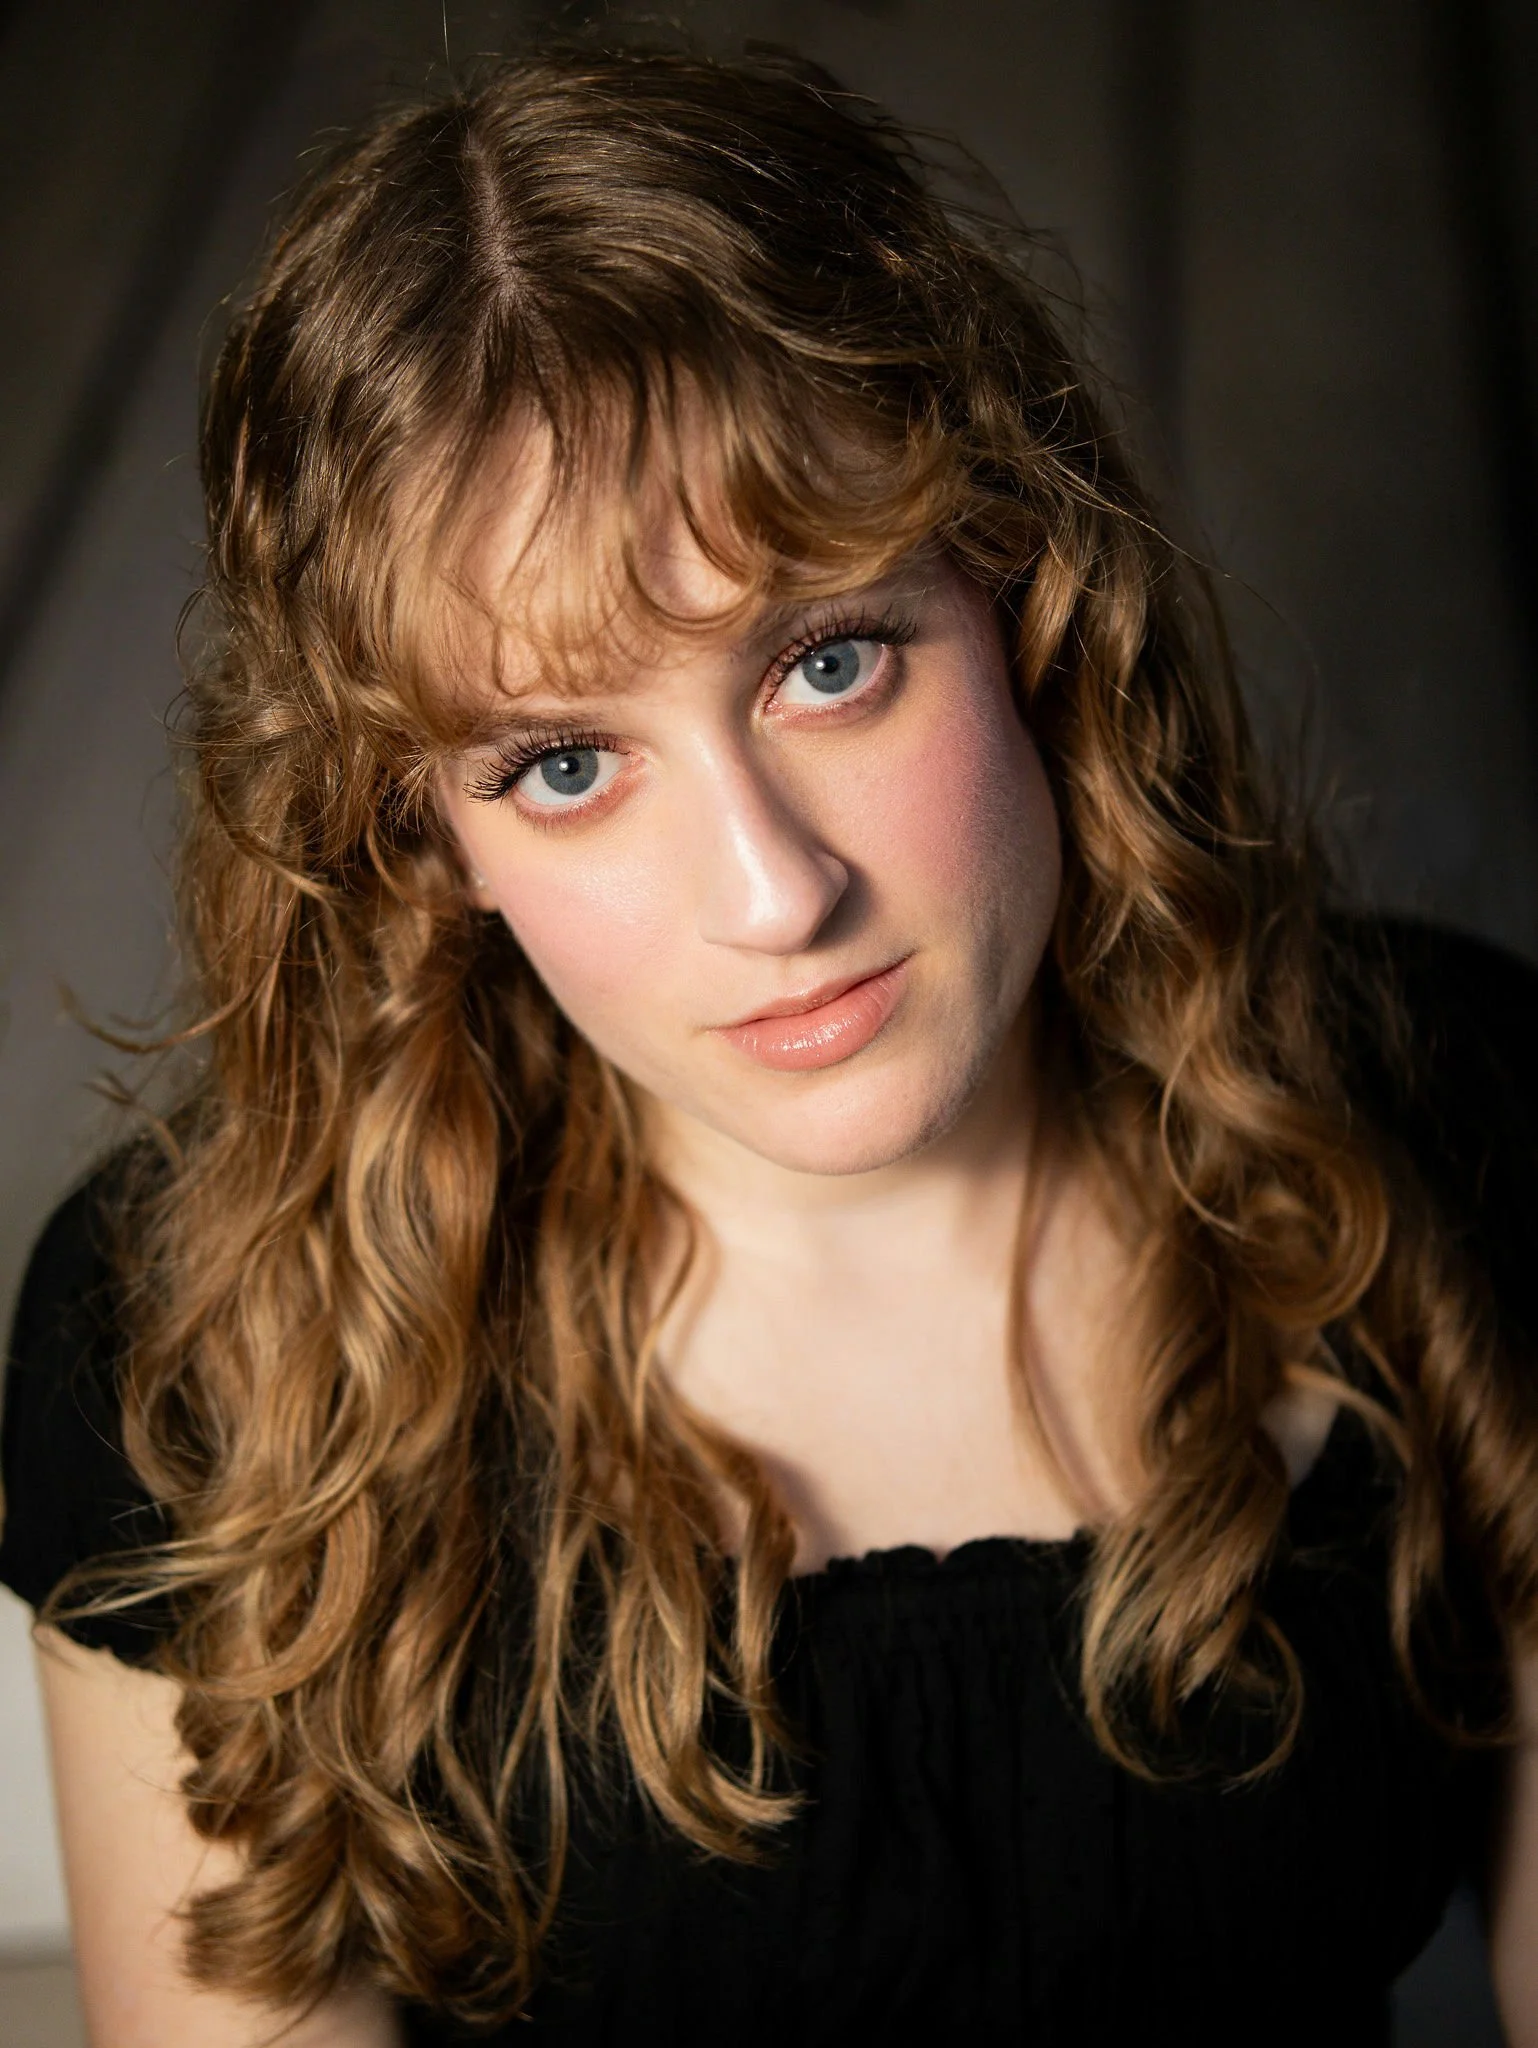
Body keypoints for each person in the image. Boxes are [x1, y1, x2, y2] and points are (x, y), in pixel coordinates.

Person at [1, 41, 1535, 2048]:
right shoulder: (200, 1341)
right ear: (415, 830)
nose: (770, 891)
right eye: (563, 762)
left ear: (1018, 592)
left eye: (827, 662)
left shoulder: (1459, 1115)